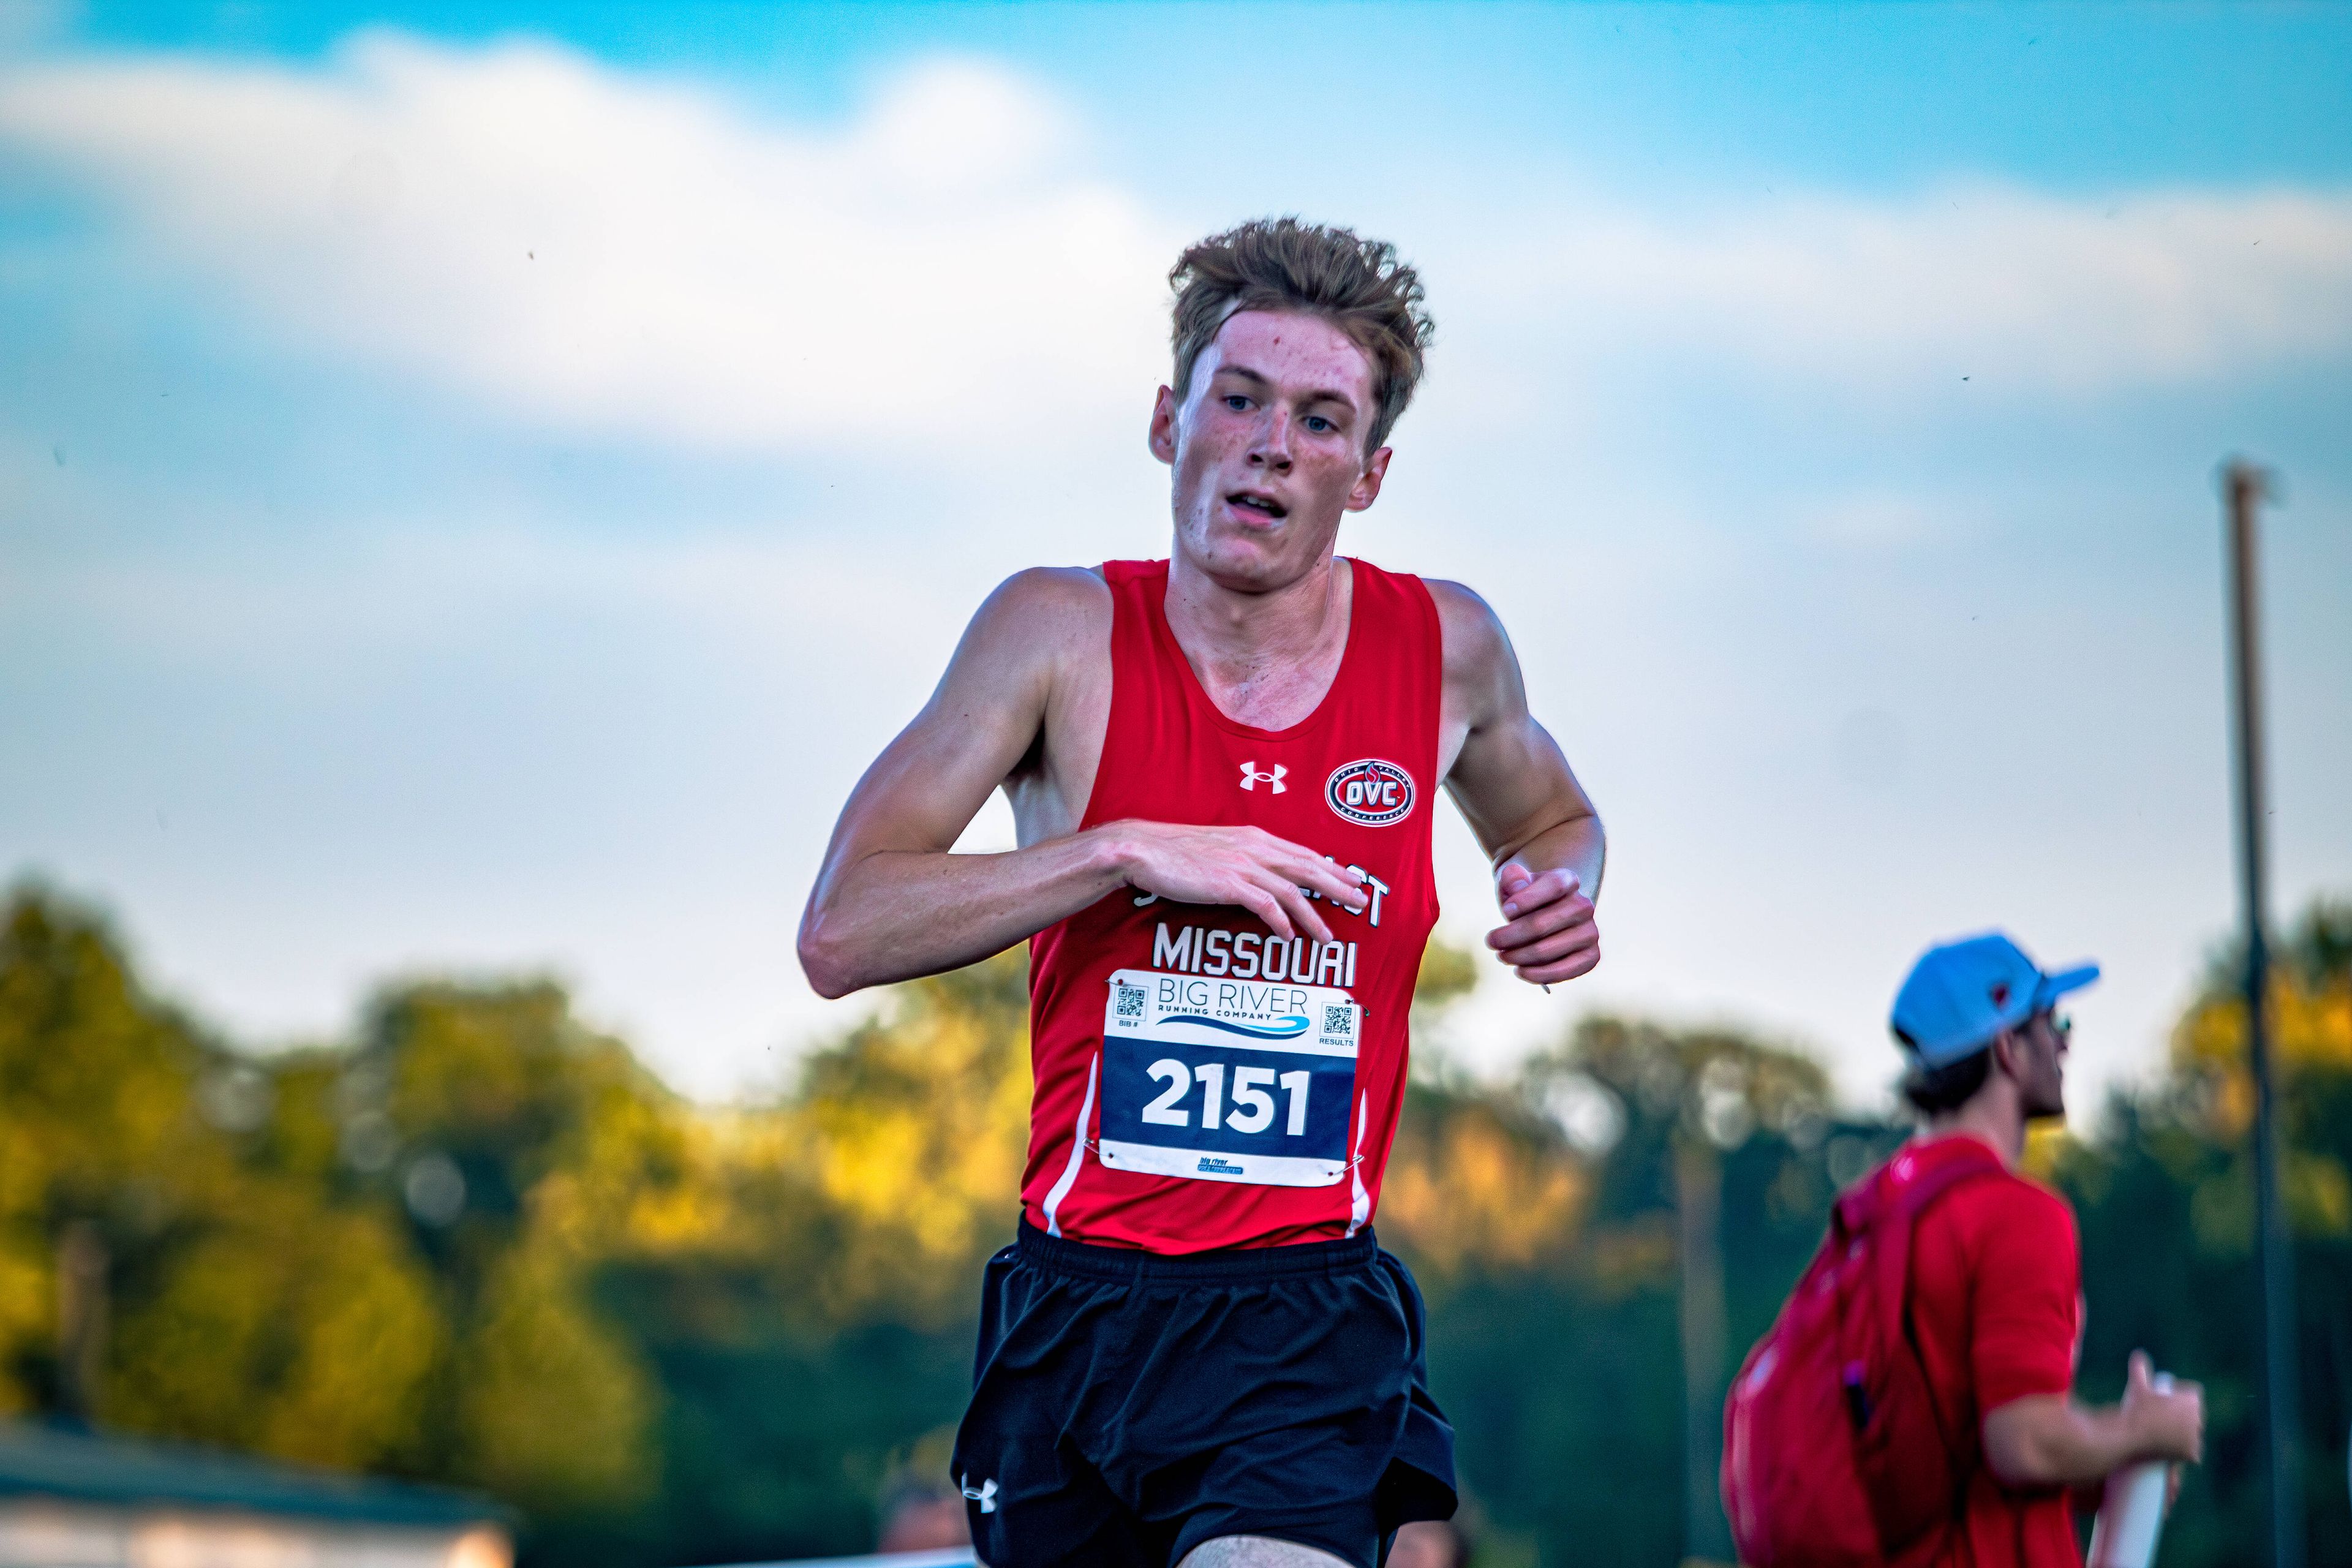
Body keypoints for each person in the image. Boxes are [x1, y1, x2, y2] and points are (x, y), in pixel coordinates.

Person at [798, 218, 1604, 1568]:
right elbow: (843, 928)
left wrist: (1563, 887)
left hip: (1299, 1314)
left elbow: (1557, 818)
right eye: (1239, 398)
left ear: (1370, 470)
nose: (1272, 442)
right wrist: (1122, 850)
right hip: (1077, 1305)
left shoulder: (1447, 646)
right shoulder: (1053, 632)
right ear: (1171, 421)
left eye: (1320, 417)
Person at [1886, 932, 2206, 1568]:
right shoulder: (2017, 1215)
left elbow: (1940, 1451)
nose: (2065, 1041)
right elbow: (2022, 1442)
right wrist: (2146, 1433)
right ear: (2007, 1046)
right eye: (2052, 1021)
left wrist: (2108, 1461)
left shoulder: (1876, 1217)